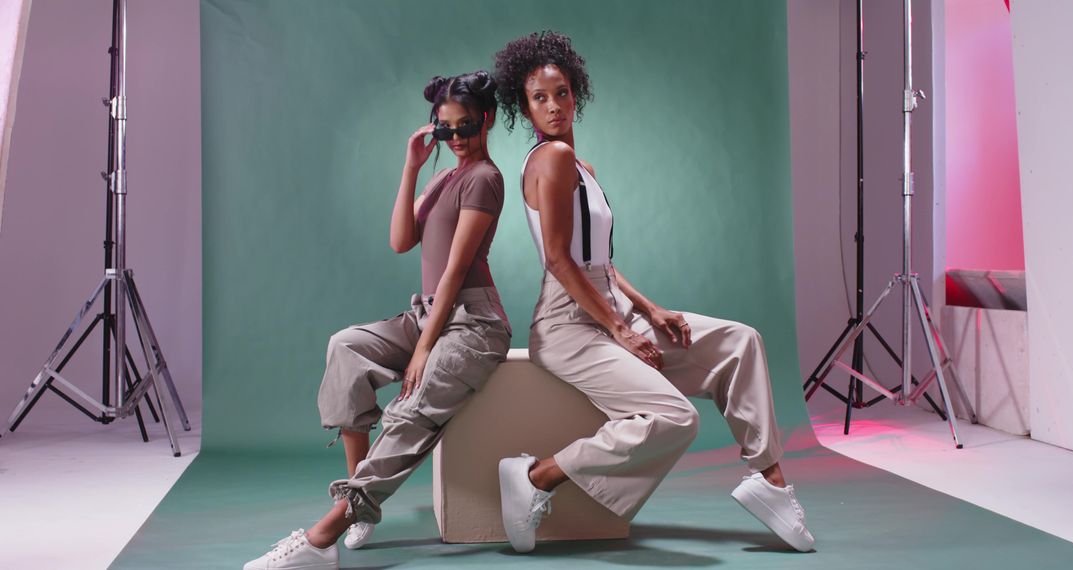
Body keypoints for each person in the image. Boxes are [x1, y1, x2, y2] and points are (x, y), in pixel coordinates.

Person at [491, 31, 814, 554]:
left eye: (562, 92)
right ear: (523, 106)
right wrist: (619, 330)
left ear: (578, 94)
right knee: (675, 417)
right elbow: (557, 259)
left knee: (741, 343)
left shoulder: (582, 168)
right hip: (568, 324)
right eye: (539, 97)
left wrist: (648, 309)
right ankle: (536, 476)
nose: (554, 106)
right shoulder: (548, 160)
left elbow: (602, 263)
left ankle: (771, 482)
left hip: (607, 305)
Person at [244, 70, 511, 570]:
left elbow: (455, 271)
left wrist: (426, 348)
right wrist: (411, 167)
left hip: (473, 322)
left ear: (487, 119)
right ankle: (360, 506)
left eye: (464, 126)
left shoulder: (485, 178)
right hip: (430, 312)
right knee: (346, 347)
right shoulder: (441, 177)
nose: (454, 138)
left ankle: (323, 536)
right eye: (444, 129)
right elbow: (399, 240)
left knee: (409, 408)